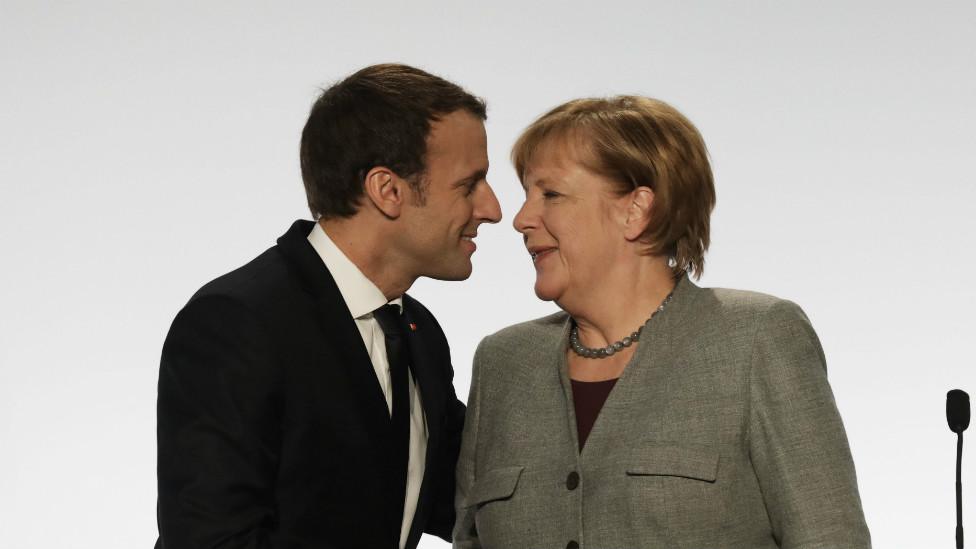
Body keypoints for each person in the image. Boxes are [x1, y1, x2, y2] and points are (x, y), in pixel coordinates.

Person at [454, 96, 871, 548]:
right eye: (526, 195)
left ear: (636, 210)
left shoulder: (755, 339)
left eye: (550, 194)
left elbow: (829, 538)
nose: (520, 219)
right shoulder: (501, 363)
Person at [156, 63, 501, 549]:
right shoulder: (237, 323)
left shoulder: (417, 331)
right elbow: (212, 541)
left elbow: (478, 502)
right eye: (469, 184)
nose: (492, 209)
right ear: (388, 190)